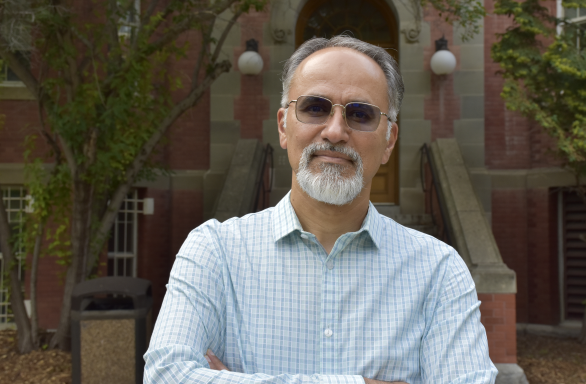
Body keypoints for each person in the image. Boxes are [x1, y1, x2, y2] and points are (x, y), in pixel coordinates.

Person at [144, 35, 498, 384]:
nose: (335, 131)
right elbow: (164, 377)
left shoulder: (438, 271)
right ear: (284, 125)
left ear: (389, 140)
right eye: (315, 107)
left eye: (360, 114)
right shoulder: (214, 251)